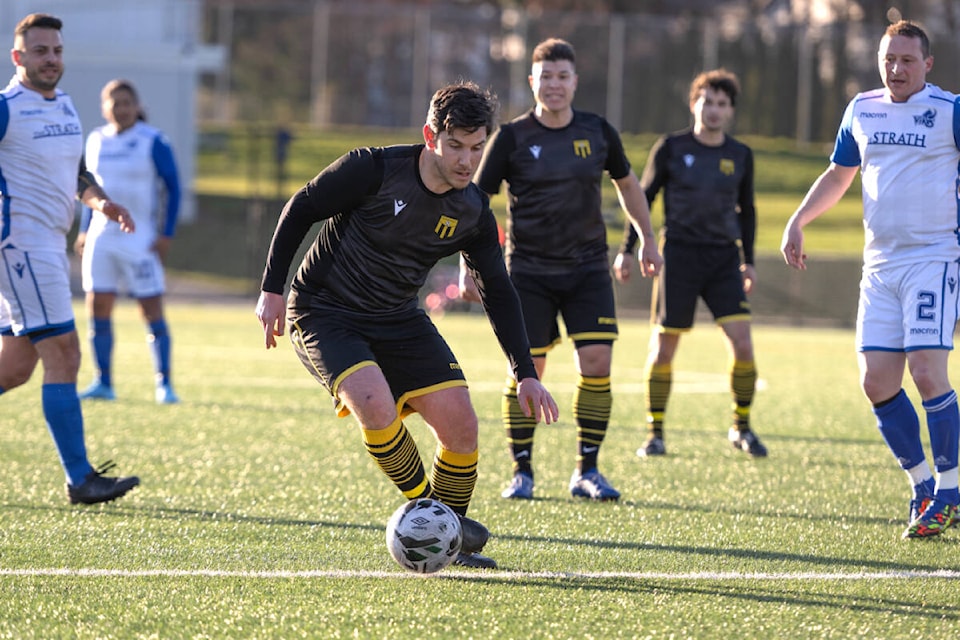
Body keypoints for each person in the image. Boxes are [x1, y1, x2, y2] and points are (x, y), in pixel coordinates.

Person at [255, 81, 559, 569]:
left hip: (397, 316)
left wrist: (525, 371)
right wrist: (272, 288)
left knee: (462, 425)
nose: (466, 160)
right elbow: (302, 208)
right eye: (456, 146)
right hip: (324, 311)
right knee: (373, 404)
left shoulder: (474, 210)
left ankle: (447, 540)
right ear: (430, 136)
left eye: (477, 148)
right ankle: (441, 520)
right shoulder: (372, 169)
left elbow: (498, 291)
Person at [460, 37, 662, 502]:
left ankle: (587, 470)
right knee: (529, 369)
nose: (554, 84)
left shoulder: (597, 131)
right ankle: (522, 471)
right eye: (545, 76)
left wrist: (647, 239)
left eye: (562, 76)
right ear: (532, 82)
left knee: (597, 362)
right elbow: (474, 200)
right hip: (527, 272)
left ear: (575, 81)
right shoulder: (510, 137)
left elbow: (629, 187)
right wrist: (467, 264)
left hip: (588, 269)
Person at [781, 20, 959, 538]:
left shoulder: (949, 112)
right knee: (876, 381)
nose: (896, 69)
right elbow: (840, 174)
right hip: (879, 266)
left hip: (934, 258)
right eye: (889, 59)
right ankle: (923, 485)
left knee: (927, 371)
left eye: (907, 60)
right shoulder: (861, 109)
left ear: (928, 64)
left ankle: (950, 491)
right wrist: (797, 220)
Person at [0, 13, 140, 504]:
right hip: (23, 248)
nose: (51, 59)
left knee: (14, 368)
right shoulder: (6, 108)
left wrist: (102, 203)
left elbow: (77, 174)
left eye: (56, 50)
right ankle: (80, 478)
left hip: (47, 249)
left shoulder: (64, 106)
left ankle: (81, 477)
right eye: (40, 51)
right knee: (64, 354)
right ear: (18, 58)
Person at [614, 69, 767, 460]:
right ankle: (655, 432)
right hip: (678, 256)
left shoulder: (740, 154)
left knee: (744, 345)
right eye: (707, 101)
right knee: (664, 346)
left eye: (721, 103)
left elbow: (746, 211)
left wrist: (748, 261)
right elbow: (642, 199)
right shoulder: (670, 147)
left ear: (730, 111)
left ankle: (741, 425)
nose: (713, 110)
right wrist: (628, 249)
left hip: (722, 260)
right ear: (693, 103)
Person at [75, 78, 181, 405]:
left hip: (140, 239)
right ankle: (103, 381)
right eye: (114, 103)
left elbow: (173, 188)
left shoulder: (153, 140)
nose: (120, 109)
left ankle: (164, 384)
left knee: (150, 309)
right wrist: (83, 229)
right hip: (100, 239)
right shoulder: (95, 140)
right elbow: (87, 189)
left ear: (137, 107)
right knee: (98, 308)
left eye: (126, 102)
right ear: (104, 107)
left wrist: (166, 234)